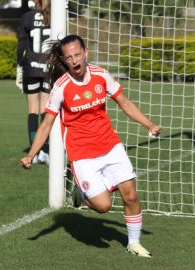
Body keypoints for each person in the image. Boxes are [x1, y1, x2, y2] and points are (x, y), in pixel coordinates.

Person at [20, 35, 162, 258]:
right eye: (69, 58)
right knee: (103, 206)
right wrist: (31, 154)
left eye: (77, 55)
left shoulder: (100, 75)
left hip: (111, 145)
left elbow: (123, 102)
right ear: (65, 61)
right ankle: (80, 192)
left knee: (131, 195)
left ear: (86, 53)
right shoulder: (61, 87)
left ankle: (134, 243)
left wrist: (149, 124)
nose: (75, 61)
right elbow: (47, 123)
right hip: (83, 154)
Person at [16, 0, 51, 164]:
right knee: (46, 109)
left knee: (33, 110)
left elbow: (21, 45)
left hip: (31, 67)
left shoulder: (27, 17)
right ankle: (45, 149)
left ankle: (34, 152)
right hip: (48, 69)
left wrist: (18, 67)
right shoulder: (55, 16)